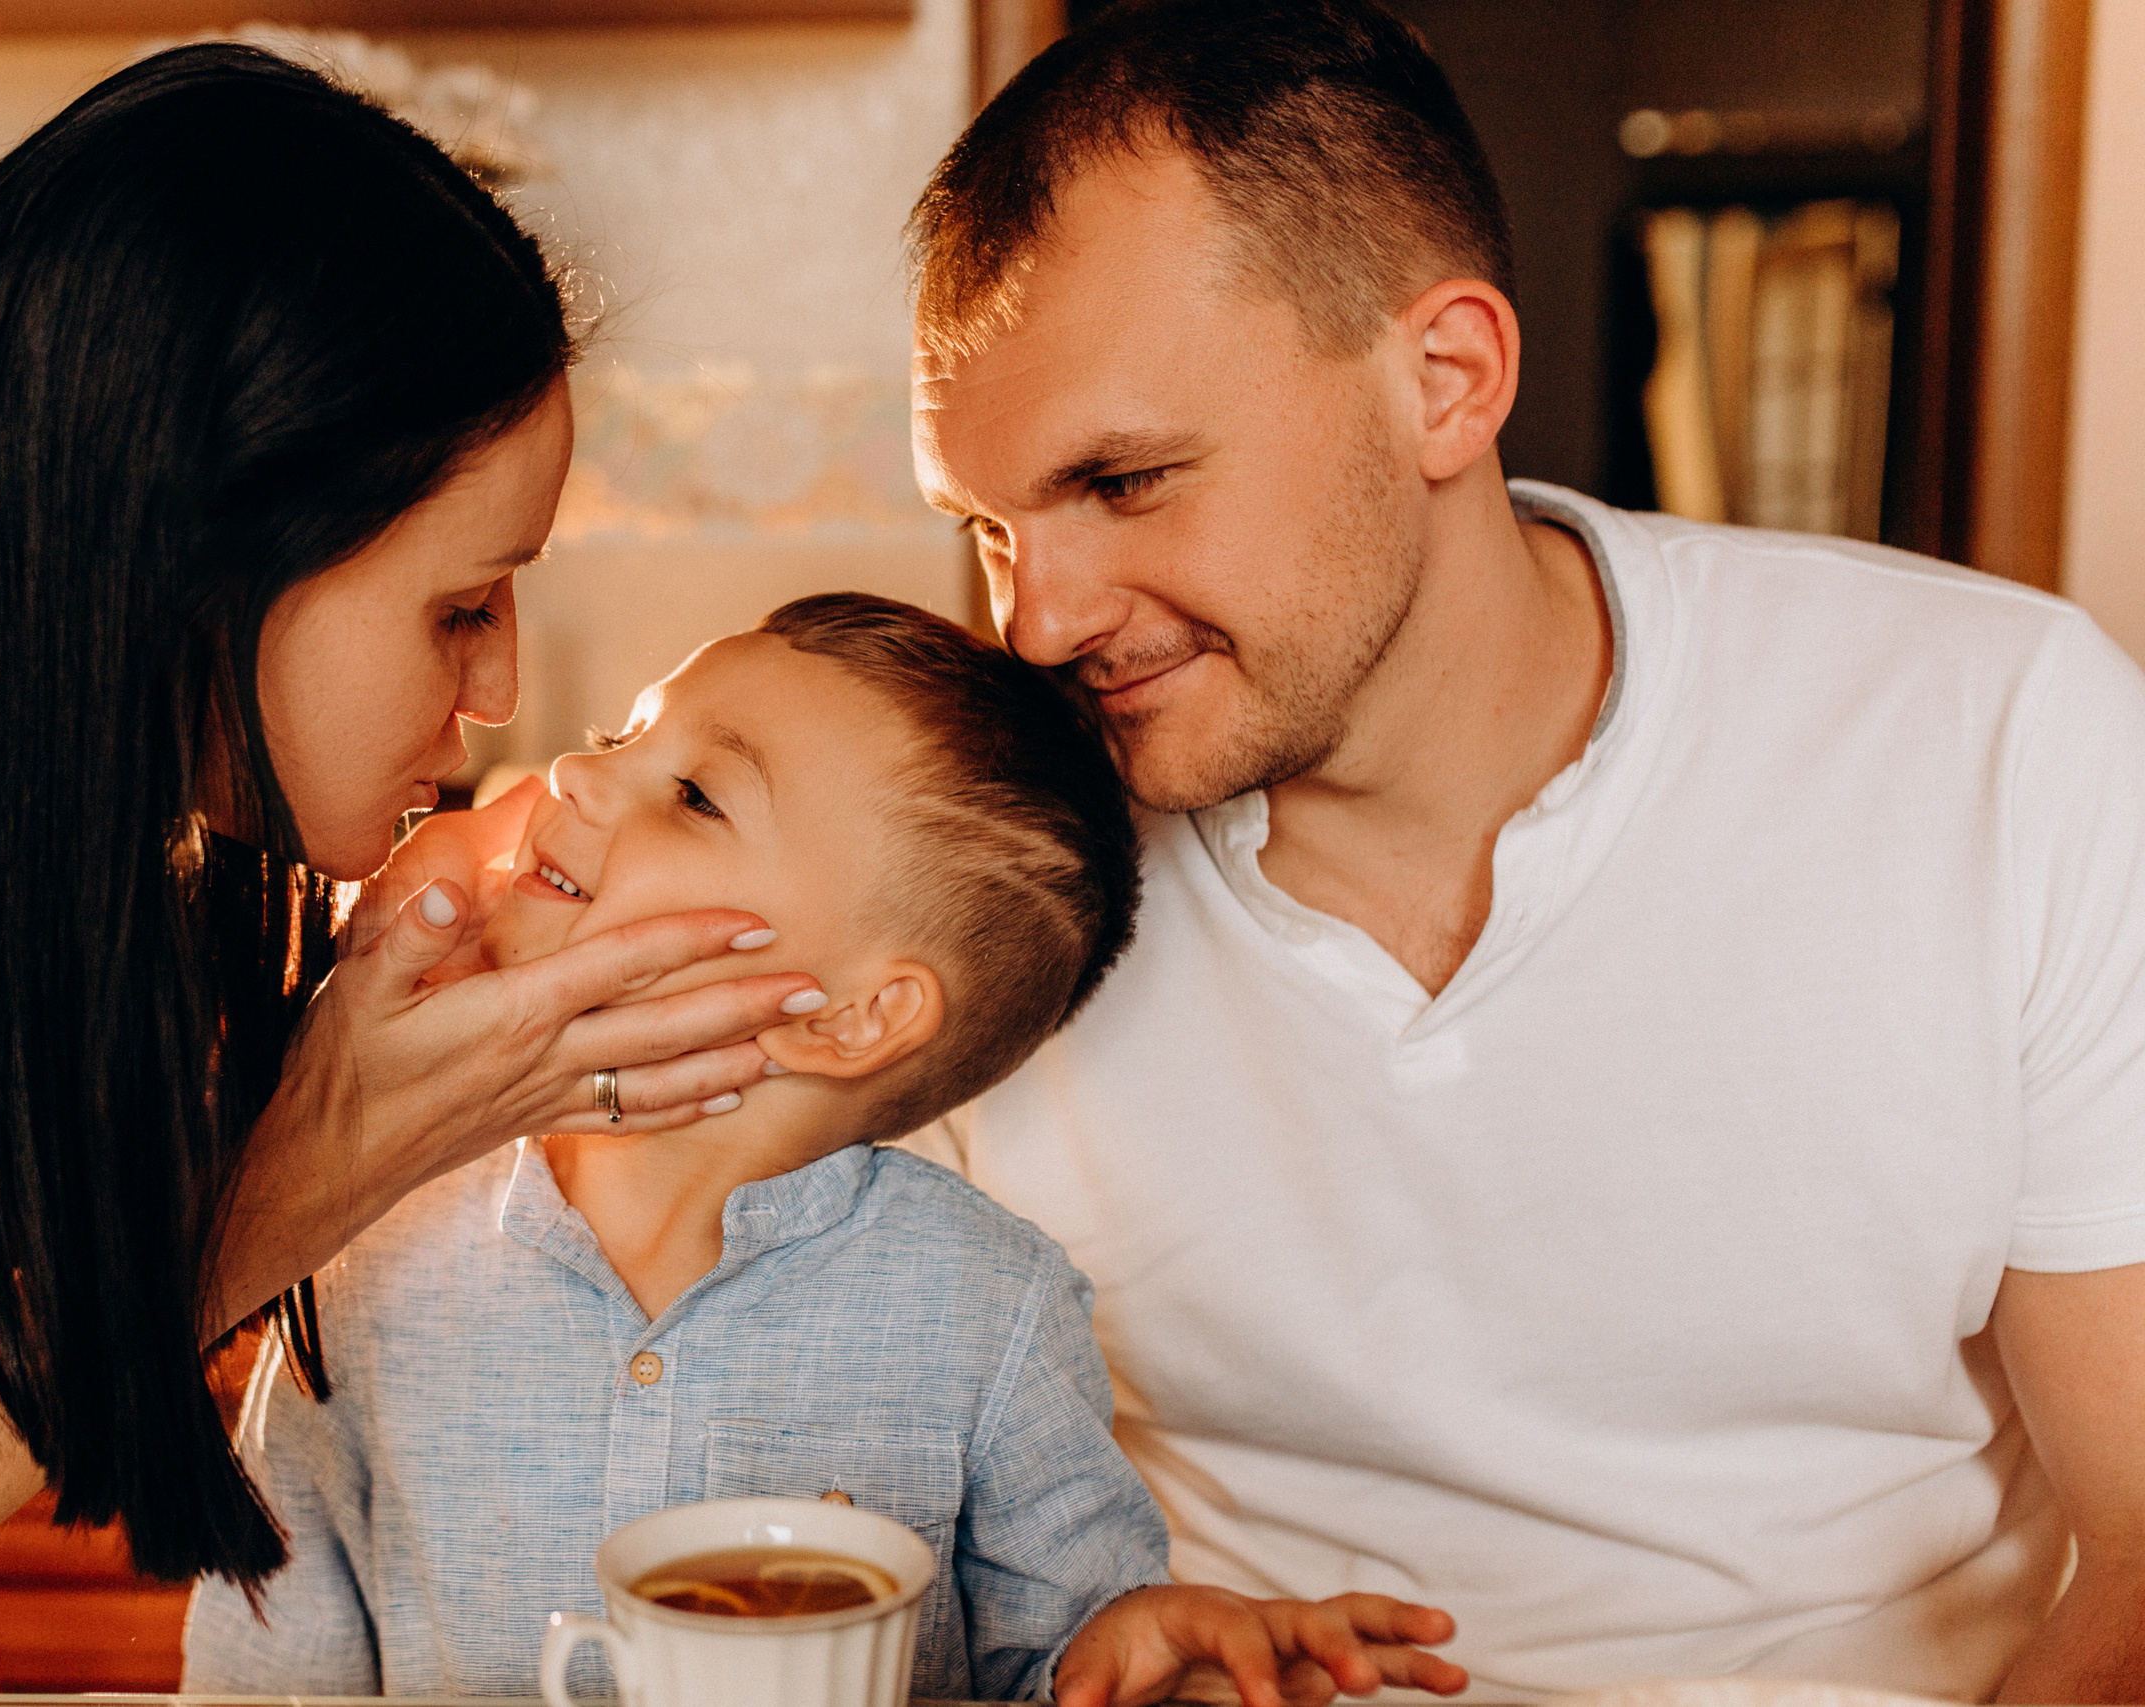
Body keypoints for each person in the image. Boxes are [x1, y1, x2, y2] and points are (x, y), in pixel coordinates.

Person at [901, 2, 2145, 1701]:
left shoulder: (2002, 734)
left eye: (1123, 481)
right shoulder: (976, 854)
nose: (1036, 620)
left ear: (1446, 380)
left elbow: (2141, 1548)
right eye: (986, 526)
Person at [0, 46, 826, 1705]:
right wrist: (314, 1169)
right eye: (463, 605)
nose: (503, 696)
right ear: (203, 552)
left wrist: (330, 1108)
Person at [177, 593, 1471, 1707]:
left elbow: (1069, 1652)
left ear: (857, 1015)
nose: (574, 773)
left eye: (692, 793)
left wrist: (1142, 1652)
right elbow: (265, 1660)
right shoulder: (363, 1260)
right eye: (624, 734)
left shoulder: (990, 1308)